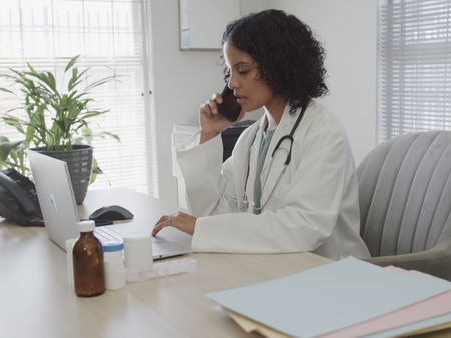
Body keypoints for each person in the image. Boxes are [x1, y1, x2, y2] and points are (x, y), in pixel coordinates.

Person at [152, 9, 370, 260]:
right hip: (274, 267)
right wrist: (209, 134)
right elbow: (214, 213)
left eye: (242, 70)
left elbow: (304, 227)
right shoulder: (252, 137)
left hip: (330, 272)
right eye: (229, 71)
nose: (232, 83)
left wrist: (200, 228)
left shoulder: (323, 132)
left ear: (277, 65)